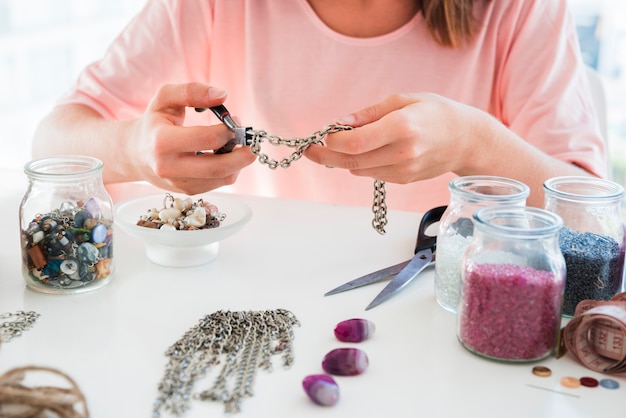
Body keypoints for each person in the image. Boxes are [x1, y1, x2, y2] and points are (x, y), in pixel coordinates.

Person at [32, 0, 606, 213]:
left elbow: (597, 221)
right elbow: (50, 146)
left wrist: (474, 145)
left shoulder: (520, 10)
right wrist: (132, 149)